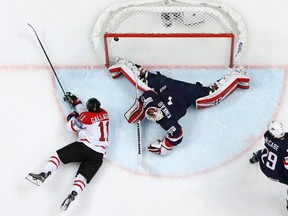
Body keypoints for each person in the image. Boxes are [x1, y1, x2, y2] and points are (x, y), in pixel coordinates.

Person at [108, 57, 250, 156]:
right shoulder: (153, 104)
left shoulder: (164, 118)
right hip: (174, 88)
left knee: (211, 95)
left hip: (173, 88)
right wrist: (137, 114)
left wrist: (165, 146)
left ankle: (122, 65)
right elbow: (144, 97)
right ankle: (123, 65)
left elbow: (178, 136)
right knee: (145, 79)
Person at [26, 92, 109, 211]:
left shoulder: (86, 117)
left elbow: (70, 127)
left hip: (85, 147)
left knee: (57, 157)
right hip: (98, 156)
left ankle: (43, 174)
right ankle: (73, 194)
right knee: (82, 178)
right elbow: (86, 114)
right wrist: (76, 102)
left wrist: (72, 115)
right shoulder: (104, 113)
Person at [249, 120, 288, 210]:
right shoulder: (285, 149)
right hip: (276, 175)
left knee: (265, 151)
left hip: (264, 165)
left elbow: (280, 140)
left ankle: (255, 157)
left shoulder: (267, 135)